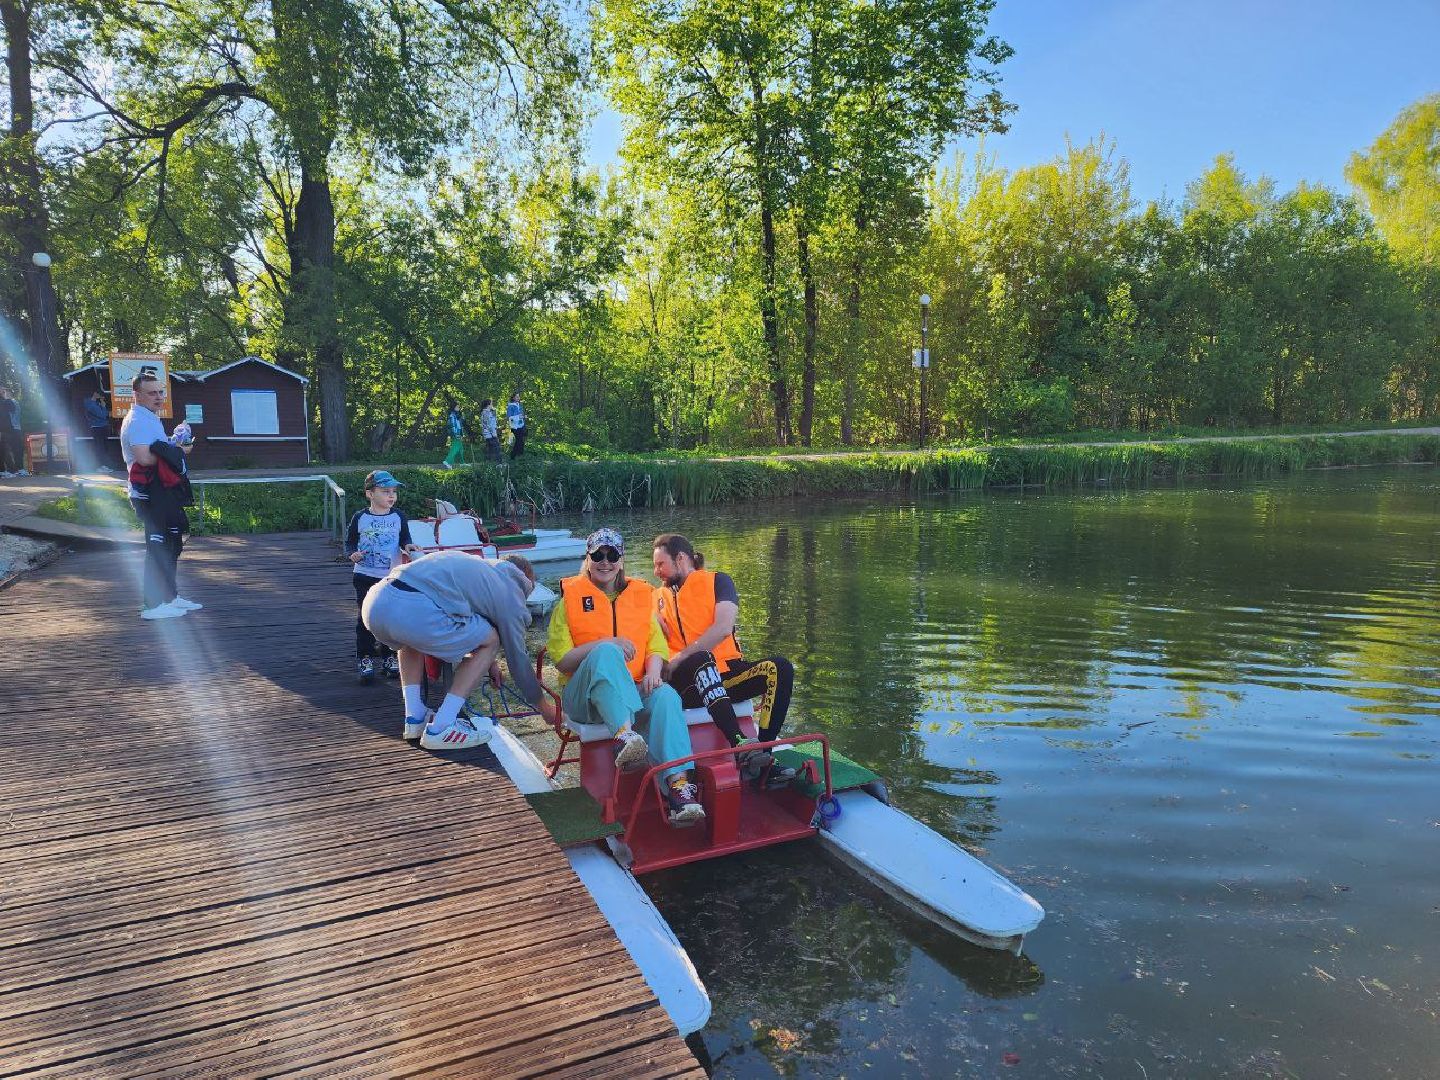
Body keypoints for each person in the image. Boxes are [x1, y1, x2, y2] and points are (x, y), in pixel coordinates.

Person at [548, 528, 704, 826]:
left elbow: (656, 645)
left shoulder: (641, 597)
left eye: (612, 555)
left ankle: (678, 789)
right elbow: (563, 660)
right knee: (606, 653)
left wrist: (654, 673)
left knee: (666, 696)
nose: (604, 562)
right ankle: (623, 737)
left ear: (621, 560)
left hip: (629, 692)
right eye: (597, 555)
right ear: (588, 558)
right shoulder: (568, 601)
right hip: (584, 700)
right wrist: (607, 644)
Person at [362, 549, 555, 750]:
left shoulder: (477, 567)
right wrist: (545, 709)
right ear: (526, 580)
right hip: (413, 610)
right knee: (493, 639)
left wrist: (490, 663)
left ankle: (415, 716)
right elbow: (518, 661)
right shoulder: (512, 590)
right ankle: (442, 726)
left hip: (377, 602)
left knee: (409, 636)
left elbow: (477, 618)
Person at [652, 532, 798, 786]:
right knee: (700, 658)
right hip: (686, 684)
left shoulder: (718, 581)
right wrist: (653, 620)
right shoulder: (653, 598)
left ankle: (762, 756)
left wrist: (681, 656)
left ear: (681, 558)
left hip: (726, 675)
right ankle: (739, 743)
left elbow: (723, 627)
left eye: (660, 564)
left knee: (780, 668)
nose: (656, 571)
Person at [121, 373, 199, 619]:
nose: (158, 397)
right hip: (149, 494)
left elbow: (158, 447)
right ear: (137, 394)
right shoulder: (138, 420)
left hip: (163, 492)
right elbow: (144, 457)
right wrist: (179, 452)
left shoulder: (150, 418)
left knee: (172, 543)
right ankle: (152, 605)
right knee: (158, 547)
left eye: (160, 392)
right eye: (152, 393)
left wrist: (175, 445)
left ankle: (169, 597)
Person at [345, 470, 419, 683]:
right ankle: (365, 658)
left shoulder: (399, 516)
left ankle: (389, 657)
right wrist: (353, 554)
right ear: (370, 494)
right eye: (385, 491)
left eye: (394, 492)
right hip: (365, 575)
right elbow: (350, 542)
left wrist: (409, 547)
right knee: (365, 618)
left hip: (390, 577)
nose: (391, 496)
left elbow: (405, 539)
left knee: (389, 619)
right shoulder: (360, 517)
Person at [82, 390, 113, 471]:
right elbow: (103, 415)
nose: (101, 397)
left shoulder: (96, 403)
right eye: (100, 395)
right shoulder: (90, 404)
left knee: (104, 447)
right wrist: (103, 406)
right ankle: (99, 466)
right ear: (95, 394)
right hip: (97, 428)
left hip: (103, 427)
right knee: (100, 447)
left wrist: (103, 406)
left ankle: (104, 465)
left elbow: (105, 414)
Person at [0, 385, 25, 477]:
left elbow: (10, 413)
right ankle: (16, 470)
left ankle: (15, 470)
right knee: (10, 450)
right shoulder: (10, 402)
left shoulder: (9, 402)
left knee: (10, 450)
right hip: (12, 429)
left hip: (11, 429)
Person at [440, 400, 468, 470]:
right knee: (455, 448)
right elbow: (452, 426)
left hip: (458, 432)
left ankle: (461, 463)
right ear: (454, 407)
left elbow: (459, 425)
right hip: (455, 433)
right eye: (457, 406)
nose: (459, 408)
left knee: (460, 448)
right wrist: (456, 434)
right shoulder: (452, 415)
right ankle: (447, 461)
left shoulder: (457, 415)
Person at [479, 398, 502, 464]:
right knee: (496, 450)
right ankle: (498, 464)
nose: (492, 405)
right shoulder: (485, 413)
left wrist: (494, 411)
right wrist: (494, 434)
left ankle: (489, 464)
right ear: (488, 405)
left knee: (491, 450)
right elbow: (489, 425)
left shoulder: (489, 412)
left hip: (491, 434)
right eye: (491, 403)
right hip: (490, 435)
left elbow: (494, 422)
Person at [506, 391, 527, 459]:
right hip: (515, 427)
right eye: (517, 396)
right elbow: (509, 417)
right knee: (519, 441)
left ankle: (520, 455)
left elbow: (521, 415)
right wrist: (518, 417)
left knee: (521, 441)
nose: (518, 398)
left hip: (521, 425)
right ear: (513, 397)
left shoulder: (519, 405)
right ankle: (513, 456)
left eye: (519, 396)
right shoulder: (510, 406)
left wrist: (523, 417)